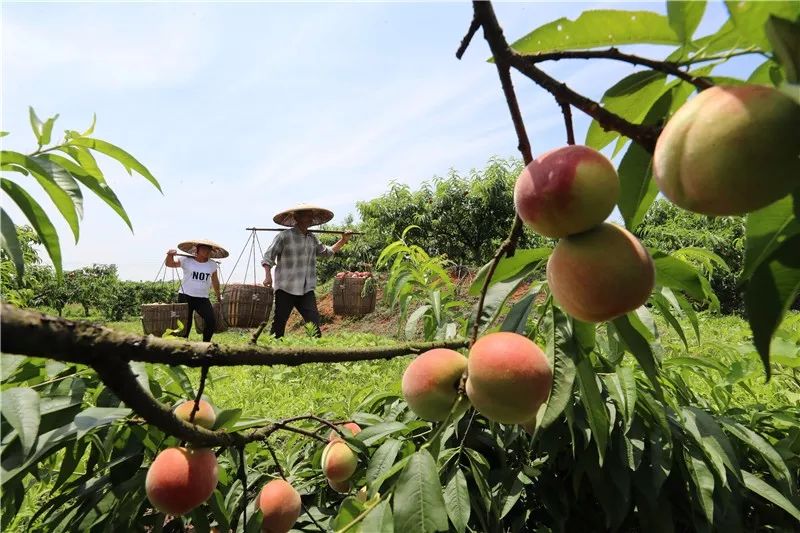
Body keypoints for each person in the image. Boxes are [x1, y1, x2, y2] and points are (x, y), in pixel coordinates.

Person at [261, 204, 352, 338]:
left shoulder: (312, 238)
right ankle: (273, 353)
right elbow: (268, 257)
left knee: (314, 323)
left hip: (306, 289)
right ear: (297, 218)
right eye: (307, 215)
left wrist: (343, 240)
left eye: (311, 215)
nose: (310, 218)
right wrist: (268, 276)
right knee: (279, 323)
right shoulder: (284, 236)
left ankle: (315, 353)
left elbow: (327, 253)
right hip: (286, 287)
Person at [165, 239, 228, 342]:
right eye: (204, 249)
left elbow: (215, 281)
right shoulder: (186, 260)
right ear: (197, 250)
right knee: (186, 324)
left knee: (210, 320)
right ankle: (183, 346)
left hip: (202, 298)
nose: (207, 252)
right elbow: (169, 264)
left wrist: (218, 295)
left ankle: (205, 345)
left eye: (209, 250)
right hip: (185, 296)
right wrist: (170, 255)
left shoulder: (212, 265)